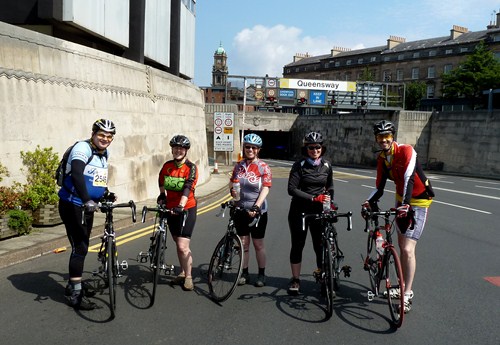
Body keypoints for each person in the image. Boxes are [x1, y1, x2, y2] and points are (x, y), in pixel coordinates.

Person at [362, 120, 434, 313]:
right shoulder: (382, 160)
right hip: (401, 199)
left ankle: (407, 293)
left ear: (392, 136)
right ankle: (400, 287)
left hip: (418, 201)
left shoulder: (406, 150)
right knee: (401, 247)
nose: (383, 140)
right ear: (377, 140)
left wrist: (406, 205)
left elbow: (410, 177)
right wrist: (368, 202)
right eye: (380, 137)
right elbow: (379, 187)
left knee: (408, 249)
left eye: (387, 136)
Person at [59, 118, 117, 310]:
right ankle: (75, 293)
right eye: (101, 135)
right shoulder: (82, 149)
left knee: (80, 245)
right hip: (73, 204)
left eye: (109, 136)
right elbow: (76, 174)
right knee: (80, 247)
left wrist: (105, 192)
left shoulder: (103, 153)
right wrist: (86, 200)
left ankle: (73, 283)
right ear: (93, 134)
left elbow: (96, 177)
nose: (105, 139)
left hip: (86, 207)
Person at [286, 131, 334, 295]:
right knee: (298, 245)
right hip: (299, 211)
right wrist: (313, 198)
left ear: (322, 148)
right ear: (305, 149)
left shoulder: (327, 166)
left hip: (319, 212)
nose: (315, 150)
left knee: (320, 246)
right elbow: (291, 189)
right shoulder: (299, 166)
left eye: (318, 147)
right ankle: (295, 280)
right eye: (311, 147)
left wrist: (329, 200)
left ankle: (323, 277)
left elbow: (330, 186)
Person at [157, 135, 198, 291]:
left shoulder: (190, 167)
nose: (178, 150)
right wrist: (162, 195)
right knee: (177, 241)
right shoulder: (167, 166)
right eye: (175, 148)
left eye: (181, 148)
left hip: (186, 208)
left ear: (186, 150)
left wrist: (180, 205)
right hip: (170, 209)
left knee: (182, 246)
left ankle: (188, 277)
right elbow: (161, 180)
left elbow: (188, 187)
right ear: (172, 149)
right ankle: (182, 272)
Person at [230, 133, 272, 287]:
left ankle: (261, 274)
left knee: (258, 244)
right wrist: (233, 194)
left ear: (258, 150)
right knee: (243, 244)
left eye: (253, 147)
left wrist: (257, 206)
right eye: (247, 147)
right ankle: (244, 272)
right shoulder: (238, 166)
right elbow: (232, 183)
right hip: (241, 210)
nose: (250, 149)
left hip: (257, 211)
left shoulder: (263, 167)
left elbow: (266, 188)